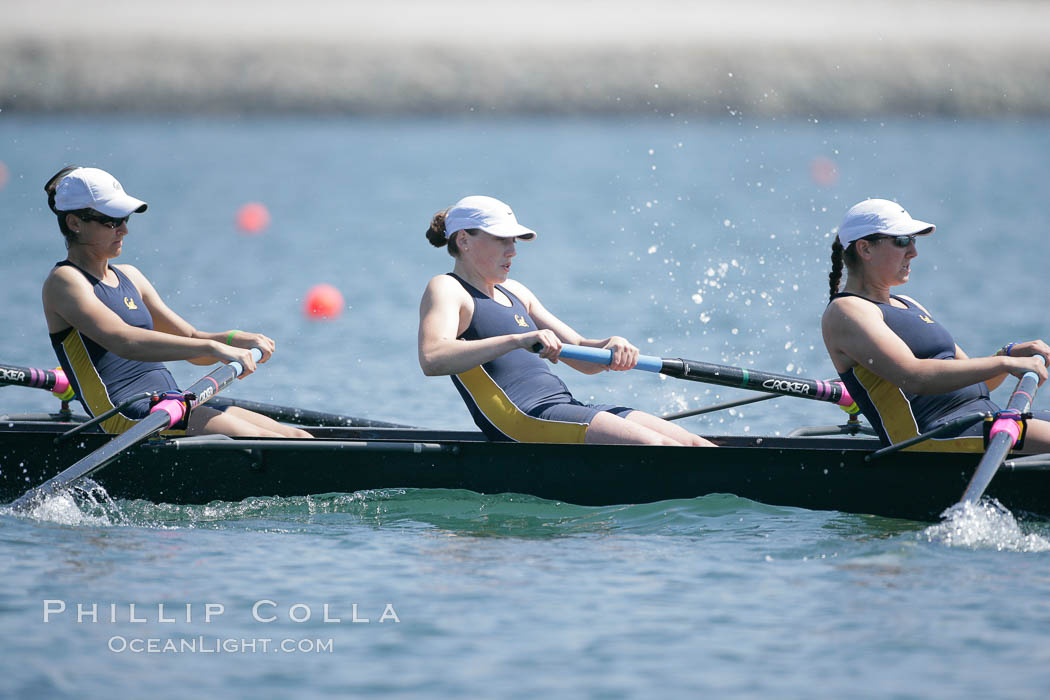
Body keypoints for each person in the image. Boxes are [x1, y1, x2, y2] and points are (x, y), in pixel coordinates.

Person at [417, 195, 713, 446]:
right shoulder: (447, 288)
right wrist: (517, 340)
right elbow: (433, 358)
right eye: (501, 240)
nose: (513, 250)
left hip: (564, 408)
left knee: (694, 443)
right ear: (464, 240)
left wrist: (611, 346)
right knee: (661, 446)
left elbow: (583, 355)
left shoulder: (517, 291)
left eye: (514, 241)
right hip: (523, 418)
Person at [42, 165, 311, 438]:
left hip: (168, 406)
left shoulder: (131, 276)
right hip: (126, 418)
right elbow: (123, 341)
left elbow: (192, 341)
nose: (123, 230)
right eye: (111, 221)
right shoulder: (65, 282)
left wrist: (232, 339)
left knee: (299, 438)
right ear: (74, 223)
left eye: (125, 219)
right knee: (271, 442)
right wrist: (215, 348)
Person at [821, 198, 1050, 452]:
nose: (913, 252)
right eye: (901, 241)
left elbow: (976, 383)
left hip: (981, 420)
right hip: (931, 436)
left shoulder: (908, 303)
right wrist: (1004, 363)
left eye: (913, 241)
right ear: (865, 249)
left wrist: (1005, 355)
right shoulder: (846, 311)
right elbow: (914, 377)